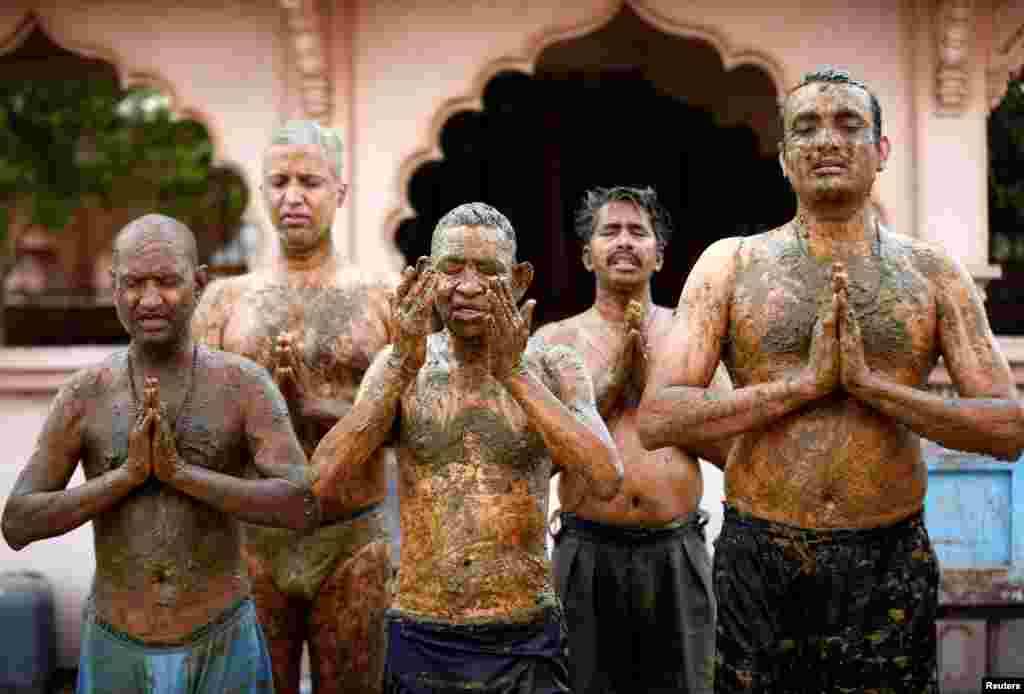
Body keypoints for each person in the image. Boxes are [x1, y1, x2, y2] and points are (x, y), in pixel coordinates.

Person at [637, 66, 1024, 693]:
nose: (827, 140)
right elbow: (660, 417)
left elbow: (1007, 429)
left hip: (888, 554)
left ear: (881, 151)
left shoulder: (932, 272)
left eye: (849, 124)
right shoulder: (731, 263)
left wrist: (873, 387)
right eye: (806, 128)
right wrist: (802, 386)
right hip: (761, 554)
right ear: (786, 157)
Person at [310, 202, 623, 693]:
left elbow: (606, 477)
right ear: (429, 277)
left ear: (519, 280)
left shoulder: (555, 366)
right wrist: (399, 367)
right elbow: (322, 481)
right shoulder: (398, 367)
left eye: (489, 271)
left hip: (525, 631)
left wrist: (515, 374)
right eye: (452, 269)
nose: (470, 287)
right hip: (422, 629)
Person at [2, 214, 319, 694]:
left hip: (221, 638)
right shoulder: (85, 394)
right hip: (116, 643)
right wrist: (126, 476)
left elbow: (301, 504)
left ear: (199, 283)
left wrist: (181, 474)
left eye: (167, 282)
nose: (150, 299)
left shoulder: (243, 385)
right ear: (114, 289)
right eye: (134, 283)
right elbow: (18, 522)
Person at [191, 120, 397, 694]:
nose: (293, 196)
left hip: (351, 532)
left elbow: (412, 416)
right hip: (254, 537)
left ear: (340, 192)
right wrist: (264, 414)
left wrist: (318, 405)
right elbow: (198, 424)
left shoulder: (381, 297)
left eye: (310, 181)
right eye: (279, 181)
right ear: (263, 192)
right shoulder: (226, 301)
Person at [535, 186, 728, 693]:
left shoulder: (693, 338)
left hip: (675, 551)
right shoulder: (555, 342)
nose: (624, 242)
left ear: (659, 256)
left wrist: (658, 404)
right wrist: (610, 388)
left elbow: (733, 449)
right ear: (587, 254)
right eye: (610, 231)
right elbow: (535, 460)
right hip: (585, 552)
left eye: (638, 232)